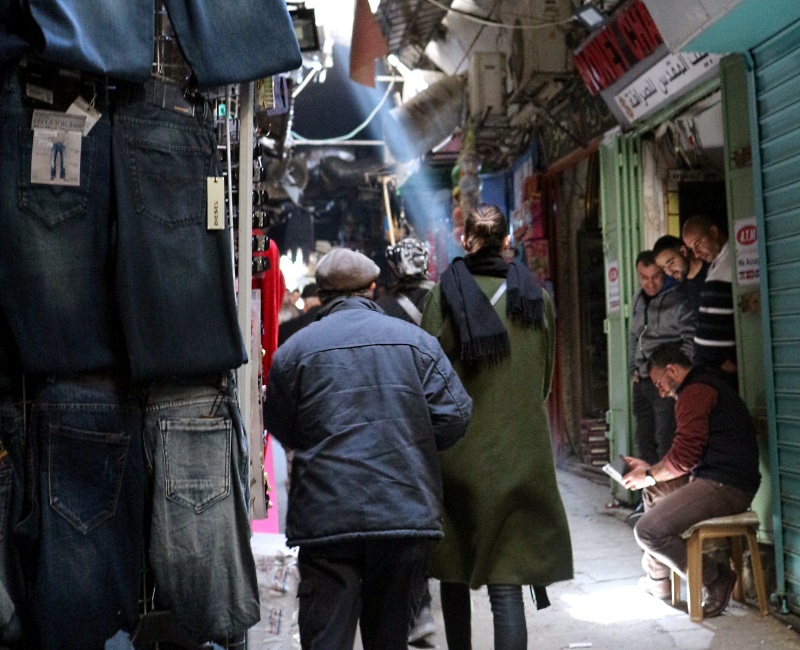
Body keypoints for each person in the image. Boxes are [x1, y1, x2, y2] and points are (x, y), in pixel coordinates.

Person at [264, 247, 473, 650]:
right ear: (373, 288)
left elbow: (279, 423)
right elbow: (456, 414)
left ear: (323, 295)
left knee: (326, 636)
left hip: (326, 518)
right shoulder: (416, 342)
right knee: (389, 637)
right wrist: (415, 447)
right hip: (401, 512)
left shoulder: (293, 352)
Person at [420, 203, 573, 650]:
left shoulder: (442, 295)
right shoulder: (534, 297)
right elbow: (543, 381)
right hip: (520, 456)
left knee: (454, 571)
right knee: (507, 585)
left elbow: (426, 377)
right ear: (508, 241)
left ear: (464, 240)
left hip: (456, 456)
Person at [622, 342, 760, 617]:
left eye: (660, 383)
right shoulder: (701, 385)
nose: (660, 392)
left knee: (647, 531)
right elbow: (686, 456)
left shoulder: (695, 393)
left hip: (726, 486)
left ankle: (715, 577)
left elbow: (683, 459)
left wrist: (649, 474)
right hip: (715, 477)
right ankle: (658, 581)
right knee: (651, 491)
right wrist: (650, 473)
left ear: (672, 370)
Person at [376, 236, 437, 646]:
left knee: (406, 516)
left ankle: (420, 605)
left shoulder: (382, 308)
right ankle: (425, 601)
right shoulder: (447, 300)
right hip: (439, 413)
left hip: (398, 418)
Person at [629, 250, 695, 466]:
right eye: (644, 277)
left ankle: (668, 494)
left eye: (655, 276)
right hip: (641, 380)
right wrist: (633, 369)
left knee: (666, 438)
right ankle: (648, 496)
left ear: (664, 273)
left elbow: (691, 338)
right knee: (643, 441)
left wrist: (676, 374)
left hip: (665, 382)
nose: (650, 283)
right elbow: (633, 336)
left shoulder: (678, 298)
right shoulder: (638, 299)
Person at [681, 215, 737, 387]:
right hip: (711, 367)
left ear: (713, 232)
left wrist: (728, 360)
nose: (696, 254)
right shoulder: (715, 264)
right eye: (692, 248)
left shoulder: (735, 259)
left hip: (724, 368)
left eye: (698, 244)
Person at [652, 234, 709, 317]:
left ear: (683, 251)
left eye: (671, 263)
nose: (669, 272)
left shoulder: (713, 272)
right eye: (663, 268)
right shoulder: (679, 290)